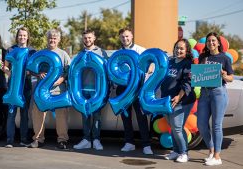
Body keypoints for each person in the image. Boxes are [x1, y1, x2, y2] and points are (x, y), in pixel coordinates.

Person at [28, 29, 71, 149]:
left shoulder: (63, 54)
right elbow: (31, 69)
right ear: (47, 39)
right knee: (38, 114)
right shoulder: (40, 53)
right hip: (42, 92)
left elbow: (69, 71)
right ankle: (38, 139)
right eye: (50, 38)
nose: (52, 40)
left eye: (54, 38)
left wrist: (61, 79)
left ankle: (62, 140)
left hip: (58, 91)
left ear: (58, 40)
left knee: (62, 116)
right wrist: (38, 74)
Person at [197, 32, 234, 166]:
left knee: (216, 125)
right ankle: (211, 151)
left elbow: (230, 78)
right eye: (208, 41)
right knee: (201, 124)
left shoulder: (224, 58)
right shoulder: (203, 56)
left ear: (218, 43)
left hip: (218, 93)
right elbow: (199, 74)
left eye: (213, 41)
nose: (211, 43)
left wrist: (224, 75)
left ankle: (217, 157)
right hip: (204, 92)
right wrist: (194, 74)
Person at [116, 27, 153, 155]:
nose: (125, 39)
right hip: (123, 89)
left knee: (141, 116)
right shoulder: (118, 53)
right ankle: (129, 143)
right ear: (120, 38)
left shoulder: (140, 50)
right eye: (122, 37)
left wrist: (146, 75)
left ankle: (146, 144)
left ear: (131, 36)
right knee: (126, 117)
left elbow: (151, 65)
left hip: (138, 88)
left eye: (127, 36)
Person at [161, 39, 196, 163]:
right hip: (167, 99)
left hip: (182, 100)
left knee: (177, 127)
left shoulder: (188, 64)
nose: (178, 50)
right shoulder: (170, 61)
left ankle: (184, 152)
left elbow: (188, 83)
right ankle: (176, 151)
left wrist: (178, 96)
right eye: (177, 48)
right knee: (172, 126)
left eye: (181, 48)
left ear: (186, 51)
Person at [73, 29, 108, 150]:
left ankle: (96, 140)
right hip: (83, 90)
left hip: (97, 90)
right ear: (83, 40)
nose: (87, 40)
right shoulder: (80, 54)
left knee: (97, 116)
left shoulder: (102, 53)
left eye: (89, 38)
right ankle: (86, 139)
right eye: (85, 38)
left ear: (94, 38)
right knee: (85, 115)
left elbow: (107, 72)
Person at [4, 27, 36, 148]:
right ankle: (9, 140)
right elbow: (5, 66)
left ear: (28, 37)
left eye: (24, 35)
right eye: (20, 35)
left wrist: (30, 72)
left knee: (24, 114)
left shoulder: (32, 51)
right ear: (17, 36)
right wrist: (8, 72)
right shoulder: (11, 49)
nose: (22, 37)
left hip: (26, 87)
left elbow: (35, 69)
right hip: (13, 87)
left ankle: (23, 139)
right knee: (11, 113)